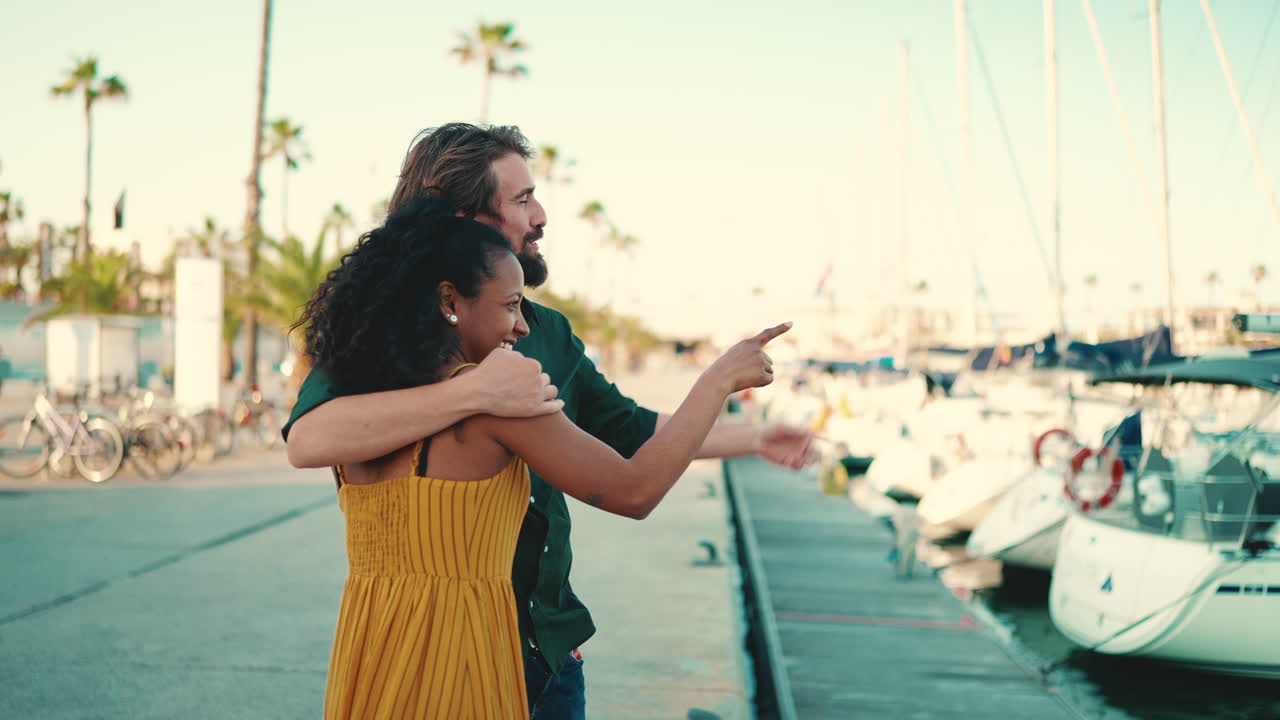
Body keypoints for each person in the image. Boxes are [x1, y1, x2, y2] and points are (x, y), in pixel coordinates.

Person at [285, 123, 818, 718]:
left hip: (386, 642)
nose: (540, 215)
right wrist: (716, 380)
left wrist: (753, 437)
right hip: (483, 650)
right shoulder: (406, 364)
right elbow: (308, 436)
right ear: (463, 223)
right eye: (521, 199)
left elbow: (627, 427)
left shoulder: (540, 334)